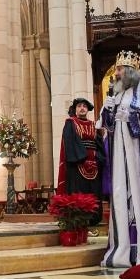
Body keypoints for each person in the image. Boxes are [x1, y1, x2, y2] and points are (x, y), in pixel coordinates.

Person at [97, 50, 140, 268]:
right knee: (121, 195)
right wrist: (110, 113)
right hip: (119, 156)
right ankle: (121, 248)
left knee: (139, 195)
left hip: (138, 154)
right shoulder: (116, 93)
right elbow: (106, 125)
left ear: (132, 71)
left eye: (121, 69)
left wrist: (132, 118)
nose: (117, 73)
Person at [56, 97, 104, 226]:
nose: (82, 108)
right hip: (77, 164)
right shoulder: (70, 123)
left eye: (84, 106)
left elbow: (99, 144)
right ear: (75, 109)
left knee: (94, 192)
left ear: (87, 109)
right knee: (79, 192)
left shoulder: (94, 125)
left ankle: (93, 220)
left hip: (94, 163)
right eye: (79, 106)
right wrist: (83, 158)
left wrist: (97, 157)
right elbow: (70, 142)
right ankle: (79, 220)